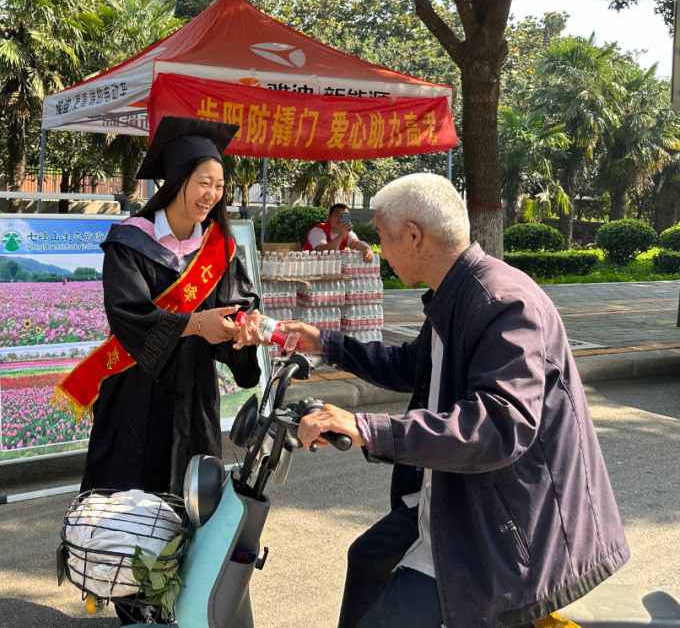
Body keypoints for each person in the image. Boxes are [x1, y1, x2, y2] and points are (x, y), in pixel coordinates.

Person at [238, 173, 628, 628]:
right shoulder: (456, 294)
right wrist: (327, 343)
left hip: (505, 526)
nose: (379, 251)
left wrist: (366, 428)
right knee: (367, 558)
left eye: (383, 238)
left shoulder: (504, 304)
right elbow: (414, 365)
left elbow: (497, 426)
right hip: (456, 495)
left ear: (414, 235)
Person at [55, 115, 261, 624]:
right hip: (135, 393)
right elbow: (129, 317)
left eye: (219, 185)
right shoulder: (129, 242)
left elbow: (237, 308)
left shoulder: (219, 249)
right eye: (203, 183)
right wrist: (196, 324)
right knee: (132, 497)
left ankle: (181, 603)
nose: (212, 194)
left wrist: (243, 333)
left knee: (192, 497)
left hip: (193, 395)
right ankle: (131, 605)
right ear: (176, 183)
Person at [304, 202, 375, 262]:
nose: (340, 219)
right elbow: (322, 251)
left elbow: (356, 243)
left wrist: (367, 249)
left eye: (344, 216)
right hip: (311, 268)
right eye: (337, 215)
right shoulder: (318, 230)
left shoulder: (346, 232)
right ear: (329, 217)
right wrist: (341, 236)